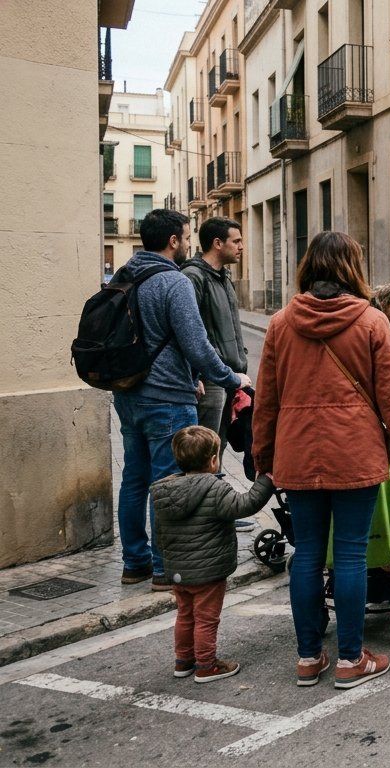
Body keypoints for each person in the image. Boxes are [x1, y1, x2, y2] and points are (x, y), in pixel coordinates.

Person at [253, 231, 390, 689]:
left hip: (297, 452)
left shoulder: (281, 323)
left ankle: (309, 656)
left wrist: (262, 455)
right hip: (355, 451)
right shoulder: (370, 322)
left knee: (306, 553)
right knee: (350, 554)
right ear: (352, 268)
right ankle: (351, 660)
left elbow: (265, 399)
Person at [116, 209, 251, 590]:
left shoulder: (127, 275)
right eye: (187, 236)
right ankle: (162, 569)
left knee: (134, 479)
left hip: (127, 395)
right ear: (174, 241)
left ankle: (134, 563)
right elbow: (197, 344)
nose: (189, 243)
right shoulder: (173, 282)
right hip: (167, 398)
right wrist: (229, 377)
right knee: (169, 482)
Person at [153, 426, 274, 683]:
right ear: (212, 460)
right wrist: (266, 480)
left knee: (185, 615)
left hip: (177, 571)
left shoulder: (163, 492)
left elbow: (160, 533)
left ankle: (183, 660)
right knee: (207, 619)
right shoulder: (214, 488)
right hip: (208, 572)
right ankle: (207, 665)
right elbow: (246, 504)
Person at [182, 217, 249, 449]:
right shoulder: (193, 277)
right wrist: (196, 376)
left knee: (217, 450)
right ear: (218, 243)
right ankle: (205, 486)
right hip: (209, 382)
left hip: (229, 378)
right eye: (237, 241)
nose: (241, 247)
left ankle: (214, 485)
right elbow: (187, 331)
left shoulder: (224, 277)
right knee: (205, 452)